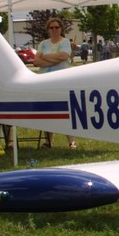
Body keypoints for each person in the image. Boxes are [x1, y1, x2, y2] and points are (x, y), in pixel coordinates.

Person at [34, 17, 77, 149]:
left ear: (61, 29)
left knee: (67, 111)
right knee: (49, 111)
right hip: (46, 81)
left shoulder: (65, 42)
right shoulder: (43, 44)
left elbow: (64, 57)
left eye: (56, 27)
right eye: (51, 27)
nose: (54, 30)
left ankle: (71, 141)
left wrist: (45, 57)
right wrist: (55, 59)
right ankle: (49, 141)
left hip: (62, 80)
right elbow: (36, 61)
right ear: (48, 30)